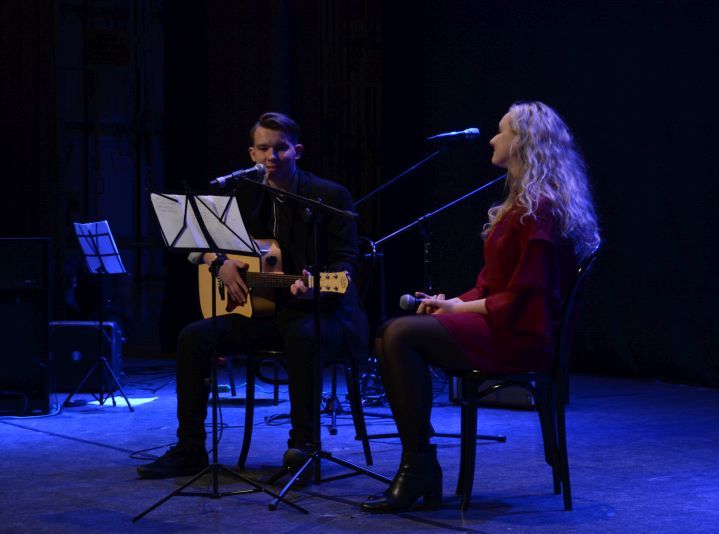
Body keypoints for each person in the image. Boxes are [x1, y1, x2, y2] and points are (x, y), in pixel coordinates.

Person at [360, 101, 600, 513]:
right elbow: (491, 286)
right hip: (503, 323)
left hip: (521, 336)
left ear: (524, 142)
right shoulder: (522, 202)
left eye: (501, 130)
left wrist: (458, 312)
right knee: (388, 333)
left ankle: (418, 467)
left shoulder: (541, 209)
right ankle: (419, 463)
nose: (492, 139)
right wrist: (452, 303)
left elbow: (524, 298)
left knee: (398, 334)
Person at [138, 112, 367, 479]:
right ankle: (190, 448)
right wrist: (220, 263)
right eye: (263, 149)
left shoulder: (329, 196)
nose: (271, 156)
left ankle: (303, 449)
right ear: (251, 154)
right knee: (193, 338)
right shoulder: (243, 194)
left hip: (324, 313)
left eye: (281, 148)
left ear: (297, 151)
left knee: (302, 336)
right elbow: (197, 244)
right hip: (265, 313)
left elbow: (347, 265)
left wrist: (314, 285)